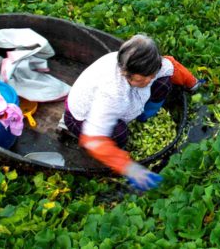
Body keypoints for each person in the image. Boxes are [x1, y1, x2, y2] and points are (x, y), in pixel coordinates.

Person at [63, 35, 204, 191]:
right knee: (119, 133)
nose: (150, 80)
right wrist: (129, 167)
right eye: (143, 79)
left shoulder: (150, 67)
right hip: (81, 118)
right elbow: (93, 139)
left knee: (163, 82)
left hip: (125, 103)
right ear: (125, 72)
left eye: (152, 74)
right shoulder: (113, 92)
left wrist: (193, 84)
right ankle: (117, 149)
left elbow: (172, 67)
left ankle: (144, 115)